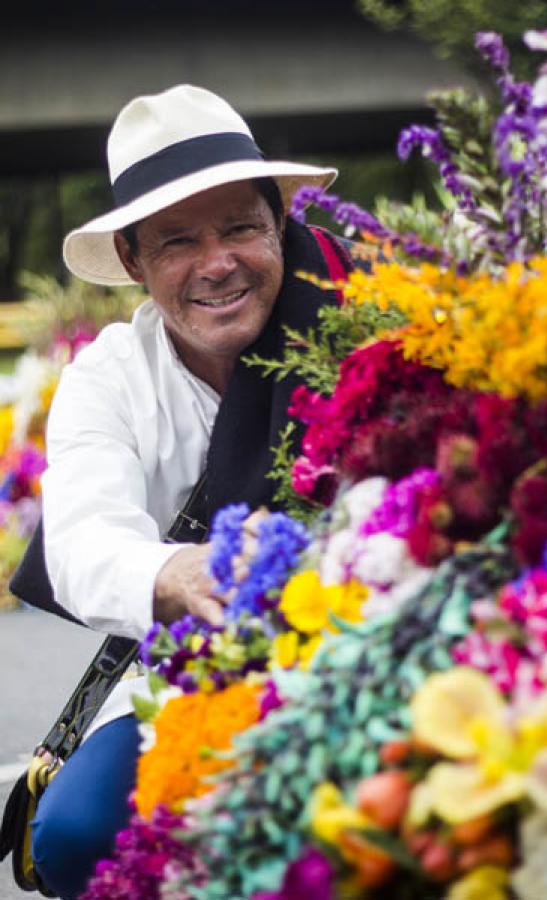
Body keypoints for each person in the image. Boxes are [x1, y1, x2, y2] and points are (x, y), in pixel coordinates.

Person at [28, 84, 346, 899]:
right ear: (133, 262)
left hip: (361, 646)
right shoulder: (109, 377)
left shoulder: (362, 319)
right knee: (74, 834)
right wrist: (169, 576)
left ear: (280, 222)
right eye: (176, 242)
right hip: (189, 668)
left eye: (241, 226)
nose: (217, 264)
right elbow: (80, 538)